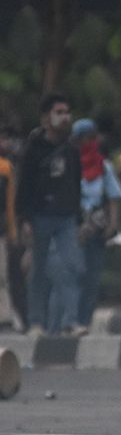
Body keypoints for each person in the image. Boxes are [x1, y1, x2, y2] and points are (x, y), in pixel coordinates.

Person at [15, 94, 86, 337]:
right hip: (40, 216)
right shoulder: (34, 149)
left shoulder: (71, 149)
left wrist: (78, 217)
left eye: (67, 112)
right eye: (59, 112)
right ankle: (36, 322)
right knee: (38, 271)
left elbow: (76, 183)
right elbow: (24, 185)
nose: (65, 117)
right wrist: (24, 218)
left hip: (66, 216)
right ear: (46, 118)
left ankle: (71, 320)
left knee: (72, 266)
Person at [69, 118, 121, 329]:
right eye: (85, 138)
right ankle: (70, 318)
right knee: (74, 274)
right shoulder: (70, 162)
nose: (90, 142)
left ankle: (85, 320)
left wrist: (112, 225)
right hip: (72, 224)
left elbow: (113, 196)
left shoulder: (104, 166)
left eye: (93, 137)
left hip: (96, 224)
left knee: (92, 276)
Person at [0, 125, 18, 330]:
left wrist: (13, 231)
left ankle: (4, 317)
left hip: (0, 230)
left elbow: (10, 203)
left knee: (2, 276)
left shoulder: (5, 168)